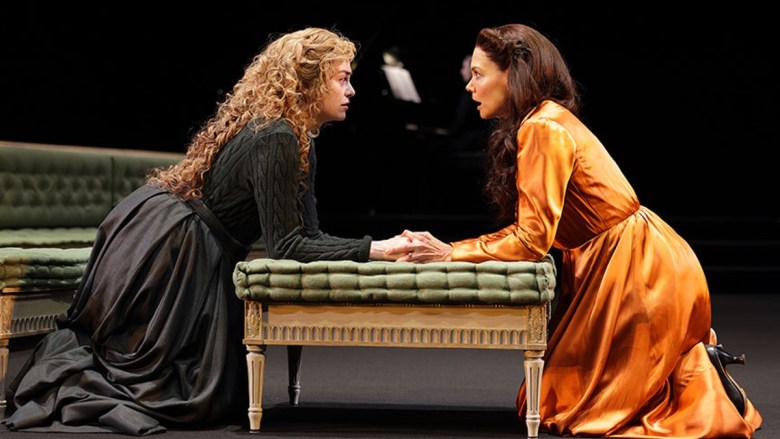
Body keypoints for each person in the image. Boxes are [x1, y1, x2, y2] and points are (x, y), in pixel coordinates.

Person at [1, 27, 408, 435]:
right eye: (342, 78)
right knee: (185, 394)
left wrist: (378, 248)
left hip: (174, 232)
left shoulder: (296, 137)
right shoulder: (278, 136)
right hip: (174, 247)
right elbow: (287, 247)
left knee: (210, 395)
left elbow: (308, 237)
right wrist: (377, 249)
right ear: (308, 83)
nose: (351, 90)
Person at [387, 24, 763, 438]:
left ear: (513, 75)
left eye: (479, 74)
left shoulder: (542, 128)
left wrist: (451, 252)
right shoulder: (546, 118)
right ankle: (703, 376)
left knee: (568, 410)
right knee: (551, 399)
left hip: (636, 269)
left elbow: (532, 240)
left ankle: (703, 387)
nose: (470, 86)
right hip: (635, 256)